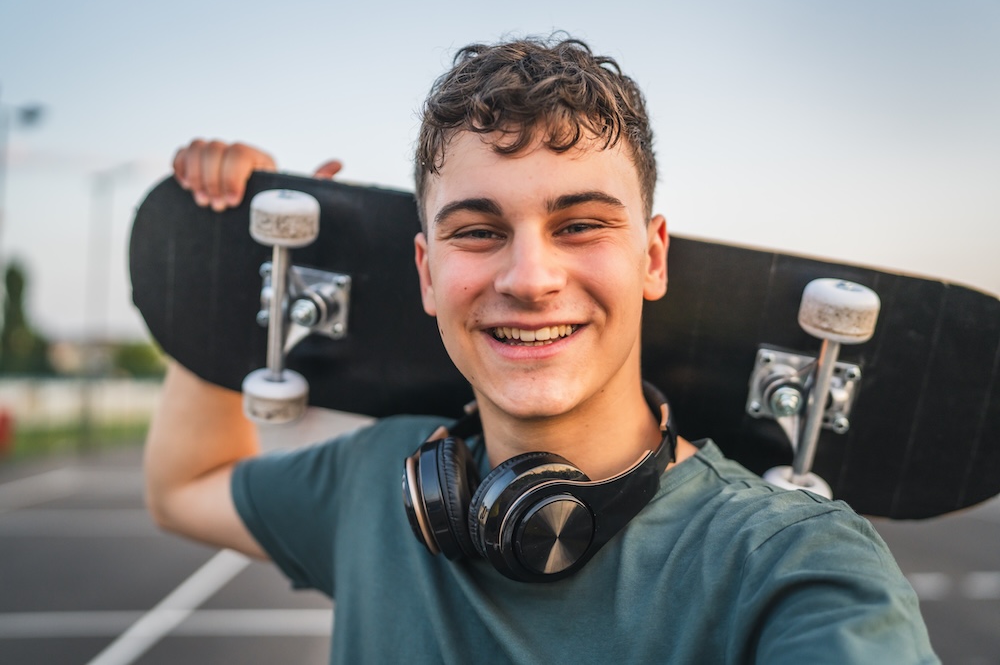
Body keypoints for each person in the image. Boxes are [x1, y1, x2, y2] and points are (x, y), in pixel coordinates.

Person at [145, 35, 938, 663]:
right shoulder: (371, 480)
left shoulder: (792, 562)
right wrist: (229, 275)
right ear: (427, 273)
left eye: (581, 224)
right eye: (479, 231)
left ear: (652, 258)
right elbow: (182, 487)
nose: (530, 278)